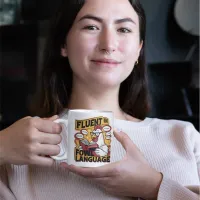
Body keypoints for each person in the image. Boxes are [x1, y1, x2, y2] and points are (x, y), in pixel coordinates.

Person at [0, 0, 199, 199]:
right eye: (91, 27)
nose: (108, 45)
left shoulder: (184, 138)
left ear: (139, 48)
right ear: (63, 44)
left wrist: (153, 186)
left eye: (123, 29)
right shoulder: (19, 149)